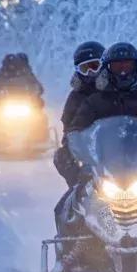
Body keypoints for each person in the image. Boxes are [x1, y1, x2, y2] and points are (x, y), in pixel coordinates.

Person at [66, 42, 137, 175]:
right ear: (108, 69)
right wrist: (77, 137)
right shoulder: (96, 100)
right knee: (81, 183)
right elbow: (77, 125)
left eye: (127, 66)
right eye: (117, 67)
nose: (123, 72)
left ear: (136, 67)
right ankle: (77, 190)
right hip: (105, 157)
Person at [53, 41, 105, 187]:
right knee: (62, 156)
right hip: (90, 153)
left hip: (121, 148)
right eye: (84, 69)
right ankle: (77, 189)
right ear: (78, 71)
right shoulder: (76, 98)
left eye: (94, 66)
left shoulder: (118, 89)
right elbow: (68, 131)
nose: (90, 73)